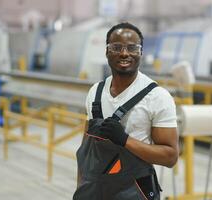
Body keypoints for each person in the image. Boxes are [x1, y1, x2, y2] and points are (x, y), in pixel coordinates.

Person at [73, 22, 179, 200]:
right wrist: (81, 187)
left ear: (141, 53)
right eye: (116, 47)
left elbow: (170, 157)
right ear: (107, 51)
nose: (124, 53)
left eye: (132, 48)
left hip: (133, 190)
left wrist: (125, 140)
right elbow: (87, 150)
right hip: (94, 191)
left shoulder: (157, 97)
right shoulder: (95, 93)